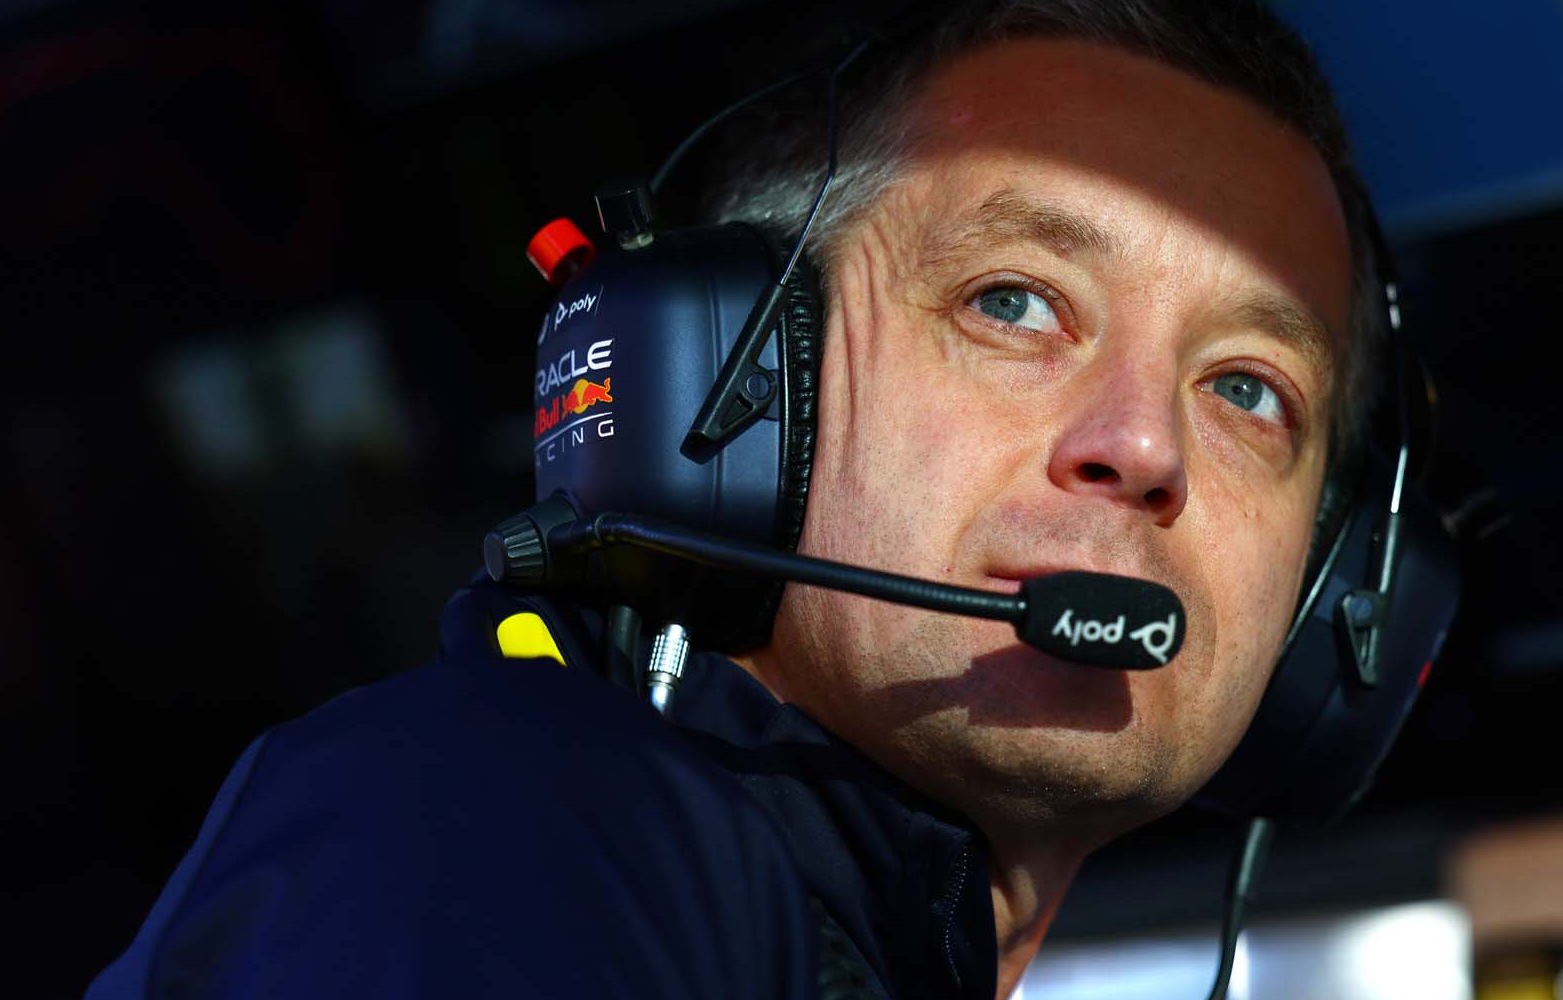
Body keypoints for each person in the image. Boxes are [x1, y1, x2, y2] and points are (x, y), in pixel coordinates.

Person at [88, 1, 1390, 997]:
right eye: (1015, 302)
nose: (1144, 444)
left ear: (1326, 592)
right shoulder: (528, 824)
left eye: (1248, 389)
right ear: (726, 389)